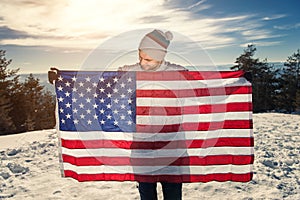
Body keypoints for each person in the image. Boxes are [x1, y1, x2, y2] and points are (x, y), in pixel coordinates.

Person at [118, 29, 187, 200]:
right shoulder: (129, 72)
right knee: (147, 194)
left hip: (172, 147)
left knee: (173, 195)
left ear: (161, 56)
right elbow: (98, 85)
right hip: (142, 148)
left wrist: (239, 80)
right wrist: (62, 78)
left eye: (148, 58)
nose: (143, 62)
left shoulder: (178, 73)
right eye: (140, 56)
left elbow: (209, 89)